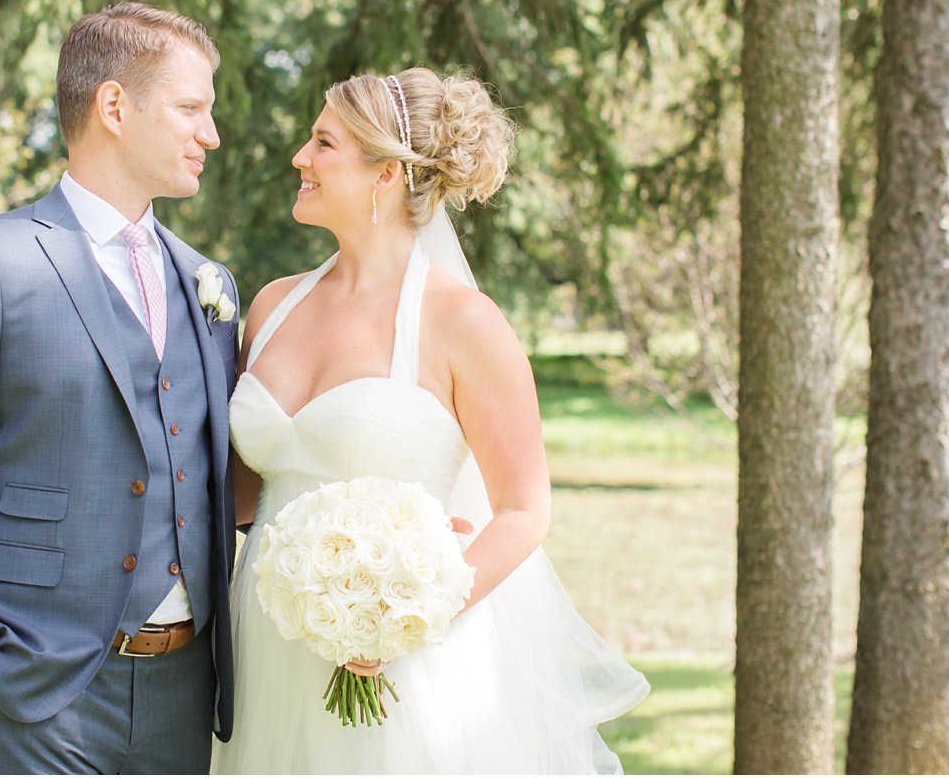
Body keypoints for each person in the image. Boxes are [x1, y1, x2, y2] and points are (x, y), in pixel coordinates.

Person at [211, 68, 649, 774]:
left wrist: (407, 617)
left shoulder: (463, 324)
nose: (300, 157)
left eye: (323, 143)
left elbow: (523, 509)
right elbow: (239, 491)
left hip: (403, 670)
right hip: (265, 643)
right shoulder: (271, 306)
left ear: (385, 173)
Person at [0, 2, 241, 774]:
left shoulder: (209, 282)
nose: (212, 134)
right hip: (33, 690)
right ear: (113, 107)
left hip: (185, 692)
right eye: (191, 109)